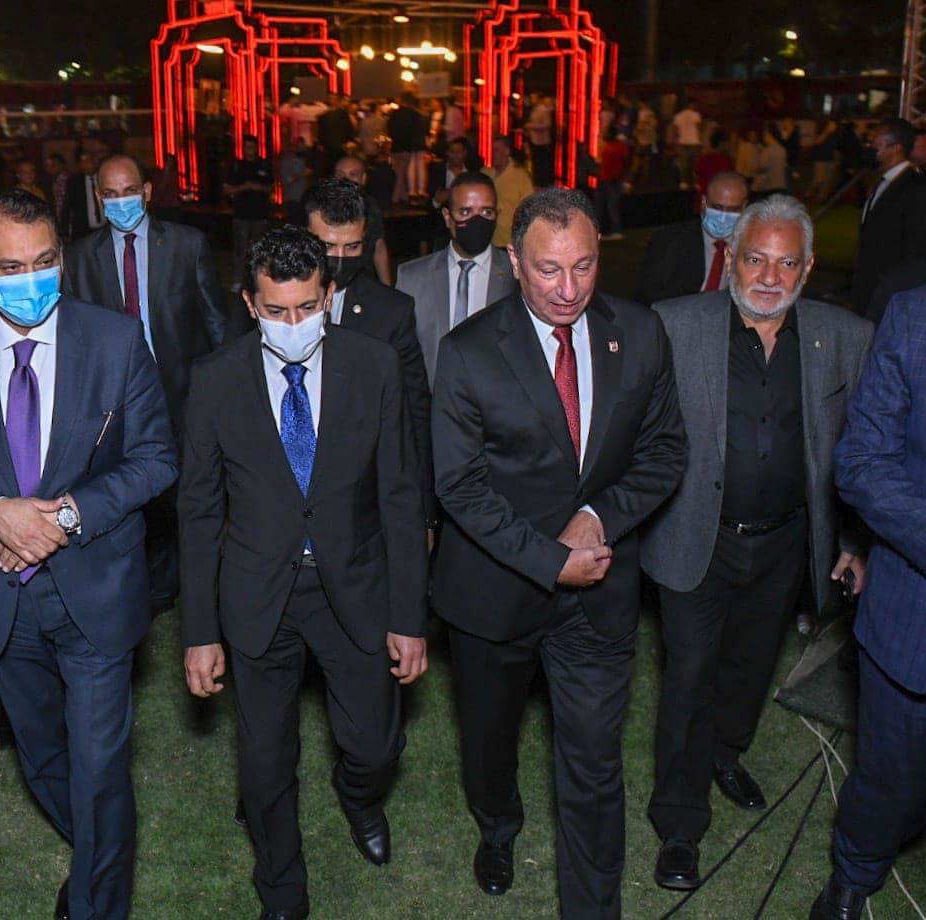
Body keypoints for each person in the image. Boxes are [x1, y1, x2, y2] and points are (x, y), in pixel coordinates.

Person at [0, 190, 177, 919]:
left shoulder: (114, 340)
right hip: (2, 598)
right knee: (45, 758)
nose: (32, 279)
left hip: (95, 591)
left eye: (46, 261)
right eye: (11, 267)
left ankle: (95, 902)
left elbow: (156, 459)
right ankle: (97, 851)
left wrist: (64, 516)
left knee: (99, 766)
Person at [432, 188, 686, 916]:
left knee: (595, 766)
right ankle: (498, 826)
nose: (568, 288)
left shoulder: (640, 333)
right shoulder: (468, 352)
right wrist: (549, 559)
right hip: (493, 596)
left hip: (598, 596)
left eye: (584, 266)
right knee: (490, 743)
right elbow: (460, 486)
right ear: (515, 262)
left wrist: (596, 518)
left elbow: (666, 451)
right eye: (549, 269)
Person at [181, 225, 428, 920]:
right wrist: (199, 632)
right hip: (259, 597)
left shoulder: (374, 366)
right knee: (264, 766)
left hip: (355, 589)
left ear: (329, 295)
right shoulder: (214, 379)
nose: (294, 324)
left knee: (375, 747)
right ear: (249, 304)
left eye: (308, 307)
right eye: (276, 310)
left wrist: (409, 617)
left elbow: (401, 497)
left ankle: (359, 796)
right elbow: (197, 513)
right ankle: (282, 891)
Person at [641, 195, 873, 891]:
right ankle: (680, 824)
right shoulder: (675, 325)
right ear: (732, 258)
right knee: (689, 676)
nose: (770, 277)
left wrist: (854, 540)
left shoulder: (845, 336)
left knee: (750, 668)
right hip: (696, 539)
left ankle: (726, 752)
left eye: (786, 263)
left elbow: (862, 451)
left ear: (808, 267)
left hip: (786, 544)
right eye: (756, 259)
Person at [63, 153, 229, 614]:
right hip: (116, 402)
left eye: (130, 192)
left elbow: (215, 323)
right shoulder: (79, 257)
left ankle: (187, 579)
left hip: (182, 393)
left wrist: (227, 393)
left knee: (188, 494)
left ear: (148, 191)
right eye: (111, 194)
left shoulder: (187, 245)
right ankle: (149, 584)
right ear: (99, 199)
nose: (122, 202)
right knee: (134, 491)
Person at [809, 286, 926, 920]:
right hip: (915, 619)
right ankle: (854, 875)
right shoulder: (914, 319)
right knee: (890, 775)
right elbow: (862, 460)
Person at [303, 179, 435, 534]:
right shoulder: (272, 303)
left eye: (352, 246)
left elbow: (415, 411)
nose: (339, 258)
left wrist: (424, 510)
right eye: (327, 246)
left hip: (364, 504)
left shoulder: (391, 311)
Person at [396, 171, 516, 385]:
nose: (477, 221)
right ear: (447, 217)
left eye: (486, 212)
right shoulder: (412, 278)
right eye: (465, 211)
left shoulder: (517, 275)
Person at [636, 171, 748, 305]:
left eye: (732, 210)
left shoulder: (750, 244)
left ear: (744, 207)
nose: (723, 217)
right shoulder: (670, 240)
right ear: (703, 203)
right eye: (717, 207)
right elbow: (649, 297)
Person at [850, 118, 926, 314]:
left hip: (890, 294)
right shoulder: (882, 182)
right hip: (869, 287)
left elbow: (915, 247)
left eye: (875, 142)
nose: (870, 147)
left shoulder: (915, 188)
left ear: (895, 148)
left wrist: (891, 289)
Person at [333, 155, 392, 284]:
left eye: (352, 174)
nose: (345, 179)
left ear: (363, 178)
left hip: (364, 279)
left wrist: (387, 286)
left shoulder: (371, 207)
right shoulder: (321, 209)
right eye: (340, 174)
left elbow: (379, 246)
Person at [225, 135, 273, 292]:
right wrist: (244, 187)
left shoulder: (263, 165)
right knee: (240, 251)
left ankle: (260, 282)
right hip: (241, 215)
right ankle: (238, 280)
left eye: (252, 147)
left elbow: (270, 187)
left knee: (261, 251)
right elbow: (227, 189)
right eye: (247, 147)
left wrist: (259, 187)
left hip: (260, 215)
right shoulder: (237, 166)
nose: (250, 151)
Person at [483, 136, 534, 248]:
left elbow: (528, 207)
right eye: (492, 150)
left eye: (497, 150)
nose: (493, 154)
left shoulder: (520, 176)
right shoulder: (485, 174)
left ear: (507, 151)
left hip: (509, 240)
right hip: (487, 238)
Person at [389, 93, 428, 203]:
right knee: (419, 165)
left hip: (397, 146)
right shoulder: (416, 115)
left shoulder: (395, 114)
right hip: (412, 144)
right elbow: (423, 129)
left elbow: (390, 129)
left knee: (401, 172)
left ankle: (406, 193)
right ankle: (419, 190)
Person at [60, 151, 107, 242]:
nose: (85, 165)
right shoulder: (74, 182)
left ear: (96, 162)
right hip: (83, 232)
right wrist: (64, 232)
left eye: (88, 161)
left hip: (105, 230)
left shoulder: (104, 178)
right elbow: (66, 208)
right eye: (82, 162)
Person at [597, 129, 631, 239]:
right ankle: (611, 230)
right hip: (611, 179)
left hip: (611, 180)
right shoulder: (619, 147)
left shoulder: (612, 148)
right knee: (609, 206)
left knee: (610, 206)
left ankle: (616, 230)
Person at [317, 93, 356, 173]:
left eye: (333, 98)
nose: (332, 100)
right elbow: (321, 131)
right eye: (330, 98)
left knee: (336, 166)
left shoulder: (341, 114)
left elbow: (348, 128)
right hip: (333, 145)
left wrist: (349, 140)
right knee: (334, 167)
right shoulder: (326, 115)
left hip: (337, 145)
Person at [694, 129, 734, 198]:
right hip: (719, 199)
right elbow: (730, 181)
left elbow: (697, 178)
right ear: (722, 143)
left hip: (703, 197)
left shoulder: (702, 159)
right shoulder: (726, 161)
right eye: (728, 143)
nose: (730, 145)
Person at [672, 100, 703, 189]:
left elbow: (675, 130)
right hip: (694, 142)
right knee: (695, 165)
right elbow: (699, 128)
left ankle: (684, 182)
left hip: (682, 142)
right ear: (691, 104)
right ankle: (696, 183)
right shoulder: (696, 115)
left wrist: (675, 142)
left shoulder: (678, 116)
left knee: (684, 165)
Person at [526, 93, 554, 187]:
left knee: (541, 162)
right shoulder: (535, 109)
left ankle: (542, 182)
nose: (531, 100)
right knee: (537, 162)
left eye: (533, 98)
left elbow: (547, 124)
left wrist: (531, 126)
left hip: (541, 141)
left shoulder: (543, 110)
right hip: (535, 139)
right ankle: (538, 181)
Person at [752, 126, 789, 194]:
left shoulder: (767, 151)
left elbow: (760, 170)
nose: (763, 137)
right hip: (780, 185)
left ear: (769, 135)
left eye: (764, 135)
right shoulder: (782, 149)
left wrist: (754, 189)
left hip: (768, 188)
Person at [45, 153, 72, 222]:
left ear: (62, 165)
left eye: (54, 165)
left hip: (67, 218)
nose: (50, 168)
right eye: (47, 166)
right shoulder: (52, 179)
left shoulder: (67, 179)